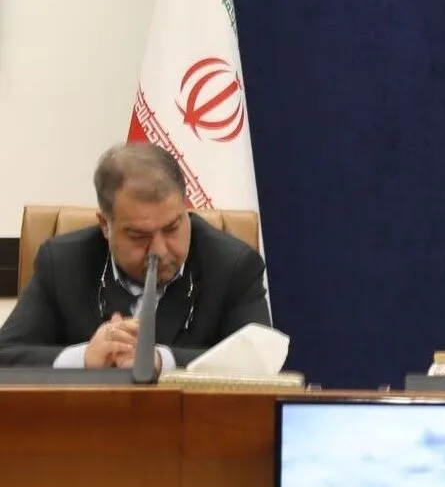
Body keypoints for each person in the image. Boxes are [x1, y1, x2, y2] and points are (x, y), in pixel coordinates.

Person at [0, 143, 272, 370]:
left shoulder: (233, 266)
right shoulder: (63, 263)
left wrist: (161, 360)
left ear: (185, 209)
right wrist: (84, 357)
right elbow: (6, 355)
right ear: (105, 226)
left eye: (172, 228)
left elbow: (260, 362)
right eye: (139, 236)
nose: (159, 250)